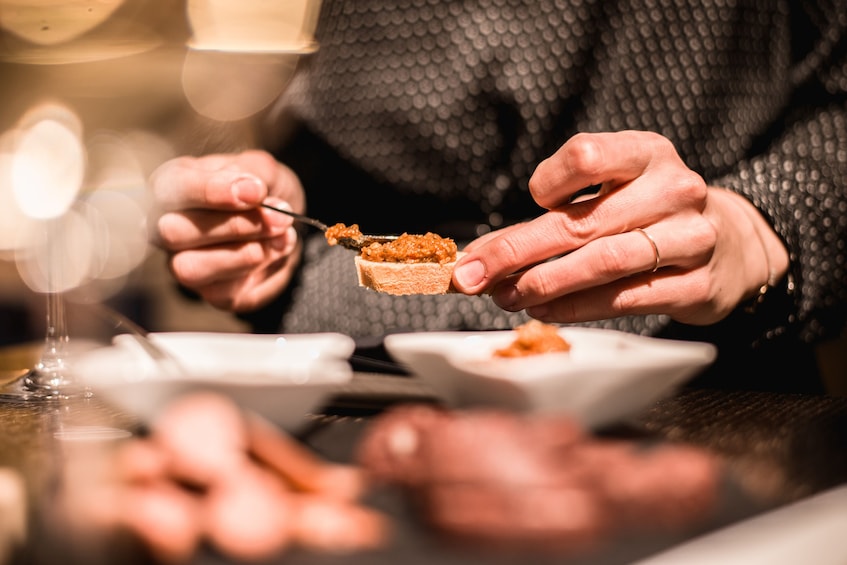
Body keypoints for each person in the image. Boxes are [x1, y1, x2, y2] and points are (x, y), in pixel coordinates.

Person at [150, 0, 847, 393]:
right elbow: (333, 123)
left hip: (685, 385)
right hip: (346, 376)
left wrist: (759, 222)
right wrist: (263, 220)